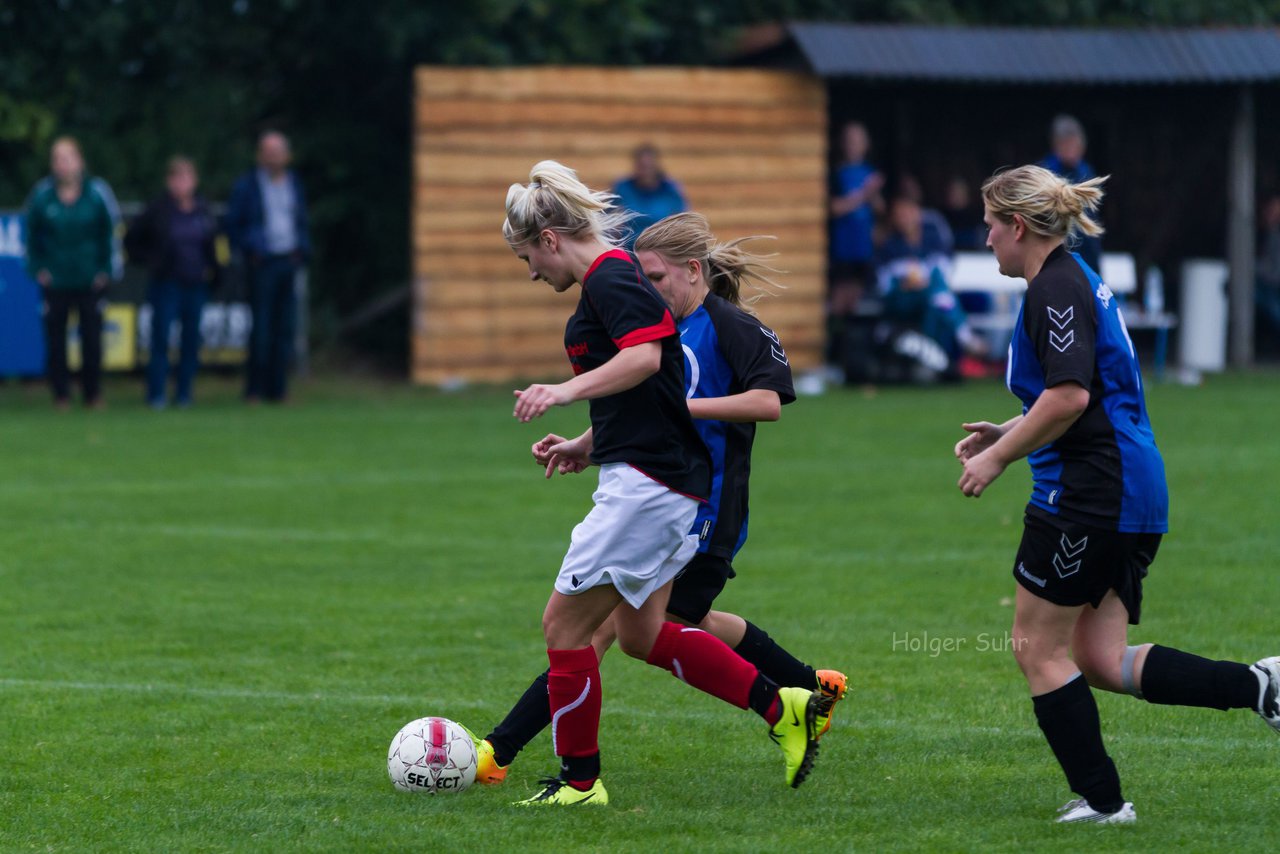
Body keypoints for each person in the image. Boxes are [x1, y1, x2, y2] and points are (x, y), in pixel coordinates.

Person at [472, 211, 848, 788]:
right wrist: (586, 445)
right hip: (668, 488)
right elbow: (639, 407)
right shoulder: (648, 317)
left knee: (585, 631)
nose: (648, 291)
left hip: (699, 499)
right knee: (641, 632)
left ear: (693, 270)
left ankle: (529, 762)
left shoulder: (727, 326)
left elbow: (768, 402)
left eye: (657, 278)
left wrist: (668, 407)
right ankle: (794, 698)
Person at [955, 164, 1279, 825]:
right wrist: (1011, 427)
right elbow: (1086, 395)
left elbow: (1071, 397)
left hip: (1091, 496)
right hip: (1128, 490)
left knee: (1034, 647)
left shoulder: (1055, 291)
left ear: (1018, 226)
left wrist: (998, 456)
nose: (986, 239)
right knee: (1098, 659)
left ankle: (1104, 805)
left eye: (990, 225)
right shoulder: (1074, 282)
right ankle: (1262, 686)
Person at [23, 136, 122, 410]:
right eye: (57, 159)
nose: (62, 164)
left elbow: (110, 232)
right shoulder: (42, 195)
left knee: (92, 338)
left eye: (67, 158)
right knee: (55, 341)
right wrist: (37, 269)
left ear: (79, 161)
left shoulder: (97, 192)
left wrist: (105, 270)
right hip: (56, 280)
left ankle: (93, 394)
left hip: (90, 279)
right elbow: (29, 235)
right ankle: (61, 395)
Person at [125, 156, 222, 409]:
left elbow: (212, 247)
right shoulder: (157, 209)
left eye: (188, 177)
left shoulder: (202, 209)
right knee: (161, 339)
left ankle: (184, 393)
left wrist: (214, 273)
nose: (183, 183)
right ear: (169, 181)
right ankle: (156, 393)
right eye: (178, 177)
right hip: (167, 284)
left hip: (196, 284)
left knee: (191, 341)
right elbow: (132, 241)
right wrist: (152, 261)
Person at [226, 130, 310, 404]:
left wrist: (301, 251)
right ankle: (254, 389)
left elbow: (302, 221)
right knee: (260, 329)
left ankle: (279, 389)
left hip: (288, 260)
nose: (273, 157)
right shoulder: (247, 186)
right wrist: (249, 251)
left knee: (284, 329)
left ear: (287, 156)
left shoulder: (294, 184)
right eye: (268, 152)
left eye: (277, 152)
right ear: (260, 156)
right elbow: (233, 224)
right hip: (262, 264)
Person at [875, 193, 984, 367]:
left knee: (934, 300)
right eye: (900, 215)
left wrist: (923, 280)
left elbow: (946, 267)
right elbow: (884, 287)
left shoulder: (933, 238)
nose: (905, 219)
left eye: (908, 213)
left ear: (918, 213)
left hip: (929, 298)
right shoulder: (889, 246)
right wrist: (905, 284)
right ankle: (963, 335)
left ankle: (934, 361)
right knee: (937, 292)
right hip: (901, 301)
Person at [827, 122, 885, 374]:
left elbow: (881, 210)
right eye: (850, 140)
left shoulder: (869, 172)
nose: (854, 145)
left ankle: (848, 361)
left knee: (857, 308)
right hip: (843, 250)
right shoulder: (836, 174)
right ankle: (829, 357)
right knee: (838, 305)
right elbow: (835, 208)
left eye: (859, 140)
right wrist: (864, 194)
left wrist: (873, 196)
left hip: (864, 251)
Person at [1039, 115, 1101, 273]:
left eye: (1076, 145)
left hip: (1087, 253)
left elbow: (1092, 218)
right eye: (1068, 145)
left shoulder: (1087, 172)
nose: (1073, 151)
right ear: (1057, 145)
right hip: (1055, 253)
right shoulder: (1044, 174)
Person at [610, 143, 688, 246]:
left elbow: (683, 222)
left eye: (649, 167)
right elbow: (610, 221)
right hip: (628, 251)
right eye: (642, 167)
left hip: (661, 250)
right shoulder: (622, 188)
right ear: (636, 167)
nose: (646, 172)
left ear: (656, 166)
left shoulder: (671, 190)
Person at [1255, 194, 1280, 341]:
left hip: (1273, 284)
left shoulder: (1275, 236)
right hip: (1267, 282)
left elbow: (1274, 269)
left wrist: (1249, 266)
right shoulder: (1263, 232)